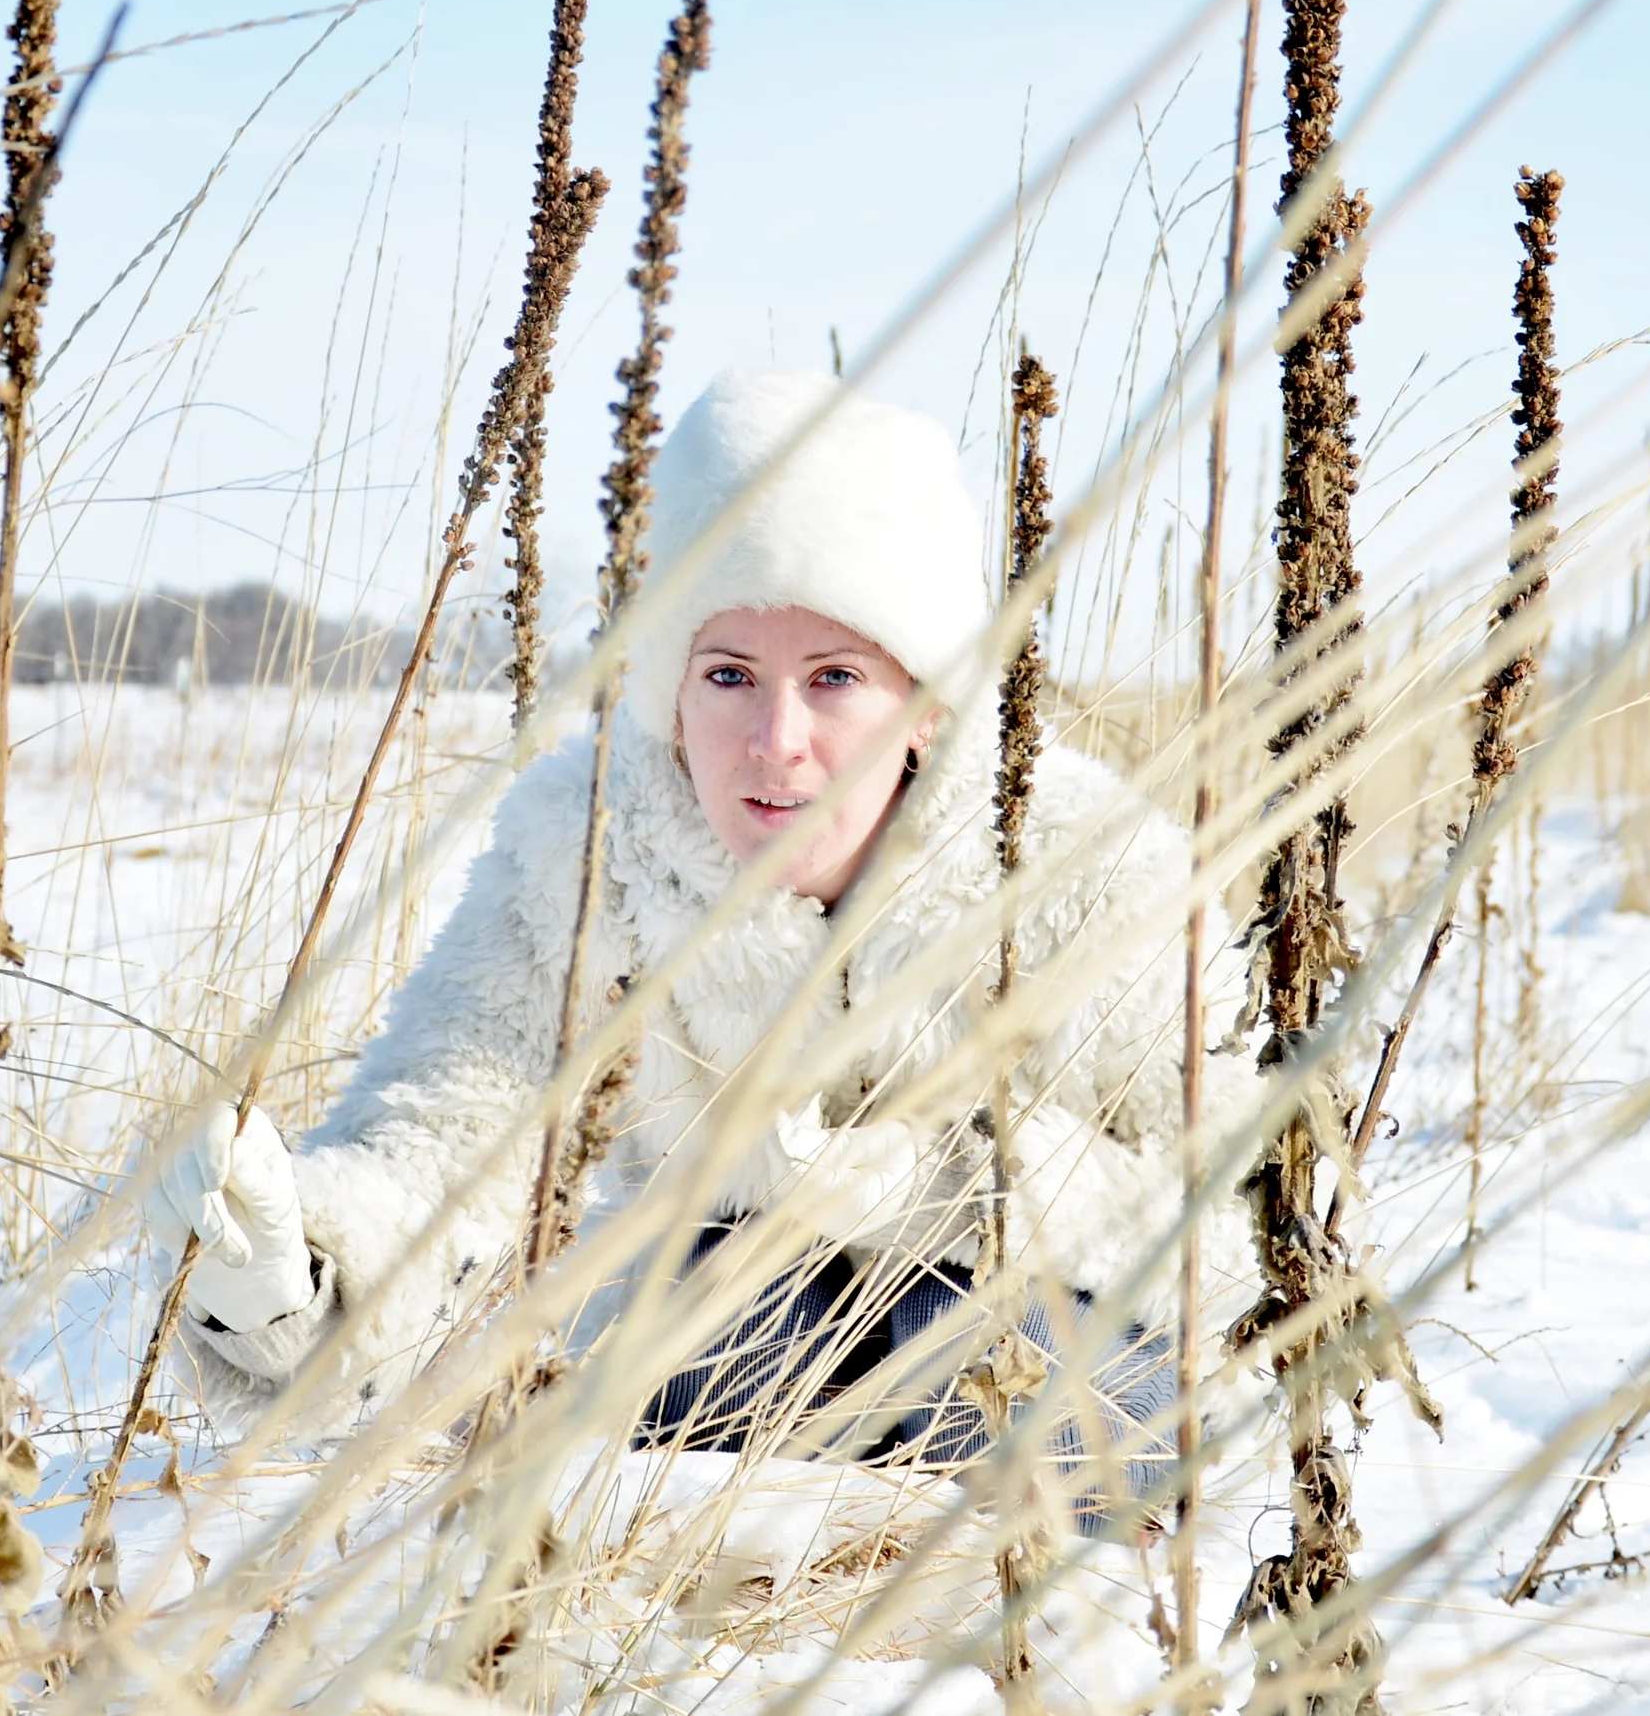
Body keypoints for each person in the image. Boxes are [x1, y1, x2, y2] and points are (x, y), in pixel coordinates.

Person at [148, 368, 1259, 1513]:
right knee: (706, 1299)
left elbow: (1225, 1221)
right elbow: (448, 1130)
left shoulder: (1084, 868)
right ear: (668, 689)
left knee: (970, 1336)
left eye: (835, 680)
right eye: (729, 675)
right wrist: (288, 1285)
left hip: (1030, 1371)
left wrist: (917, 1189)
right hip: (717, 1367)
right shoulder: (582, 850)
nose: (775, 743)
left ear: (927, 701)